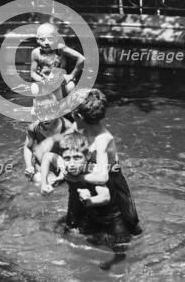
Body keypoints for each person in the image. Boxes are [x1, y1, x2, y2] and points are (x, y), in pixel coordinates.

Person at [41, 89, 142, 237]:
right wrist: (58, 176)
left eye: (72, 114)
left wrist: (74, 178)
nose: (71, 117)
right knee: (73, 223)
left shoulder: (103, 139)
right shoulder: (78, 128)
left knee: (129, 224)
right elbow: (64, 154)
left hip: (110, 179)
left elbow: (103, 177)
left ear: (79, 116)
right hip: (84, 174)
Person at [44, 132, 134, 263]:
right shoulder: (66, 165)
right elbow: (47, 156)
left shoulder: (95, 172)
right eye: (67, 158)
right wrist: (47, 183)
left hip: (111, 216)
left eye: (77, 158)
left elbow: (105, 196)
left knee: (120, 247)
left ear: (86, 156)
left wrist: (89, 200)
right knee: (71, 232)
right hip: (88, 210)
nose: (72, 163)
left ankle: (116, 265)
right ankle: (68, 256)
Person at [30, 22, 84, 100]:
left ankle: (65, 106)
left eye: (50, 39)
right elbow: (33, 73)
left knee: (70, 86)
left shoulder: (60, 49)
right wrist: (42, 80)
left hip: (61, 81)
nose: (46, 43)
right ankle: (43, 107)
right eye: (42, 39)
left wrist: (72, 75)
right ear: (37, 40)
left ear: (56, 38)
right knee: (34, 88)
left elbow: (81, 58)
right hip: (44, 80)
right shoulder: (36, 53)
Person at [23, 100, 73, 183]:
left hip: (61, 161)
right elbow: (28, 147)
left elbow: (73, 151)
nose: (45, 119)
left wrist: (62, 173)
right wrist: (29, 166)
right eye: (42, 115)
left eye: (49, 114)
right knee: (37, 179)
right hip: (42, 161)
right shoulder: (34, 128)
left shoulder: (67, 127)